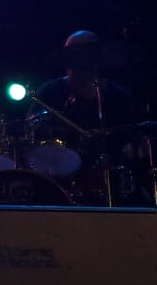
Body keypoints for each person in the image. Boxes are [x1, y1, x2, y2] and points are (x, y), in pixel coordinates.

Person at [29, 30, 146, 204]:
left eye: (88, 55)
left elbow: (138, 137)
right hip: (60, 180)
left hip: (114, 182)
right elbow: (32, 133)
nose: (83, 62)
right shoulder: (50, 93)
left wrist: (134, 148)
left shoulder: (120, 97)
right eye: (76, 56)